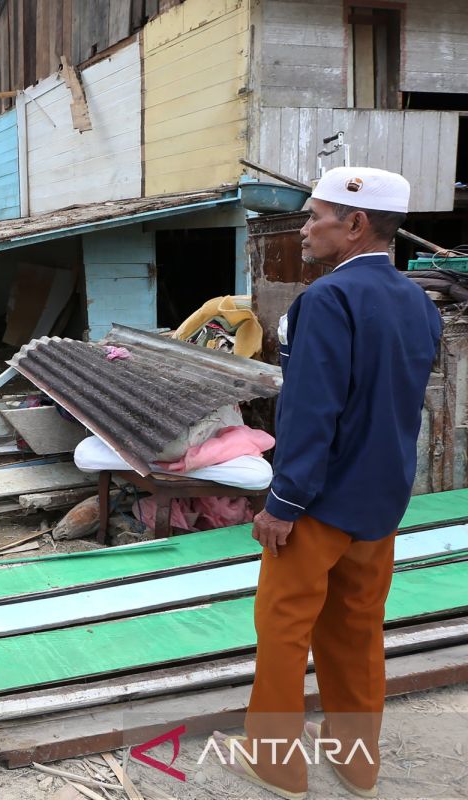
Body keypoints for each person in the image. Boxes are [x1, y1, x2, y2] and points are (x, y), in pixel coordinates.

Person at [210, 167, 442, 800]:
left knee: (284, 631)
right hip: (381, 504)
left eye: (316, 216)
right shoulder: (419, 304)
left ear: (355, 223)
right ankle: (357, 764)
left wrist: (283, 503)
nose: (306, 229)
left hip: (318, 504)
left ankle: (276, 764)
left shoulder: (327, 300)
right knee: (357, 633)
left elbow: (313, 412)